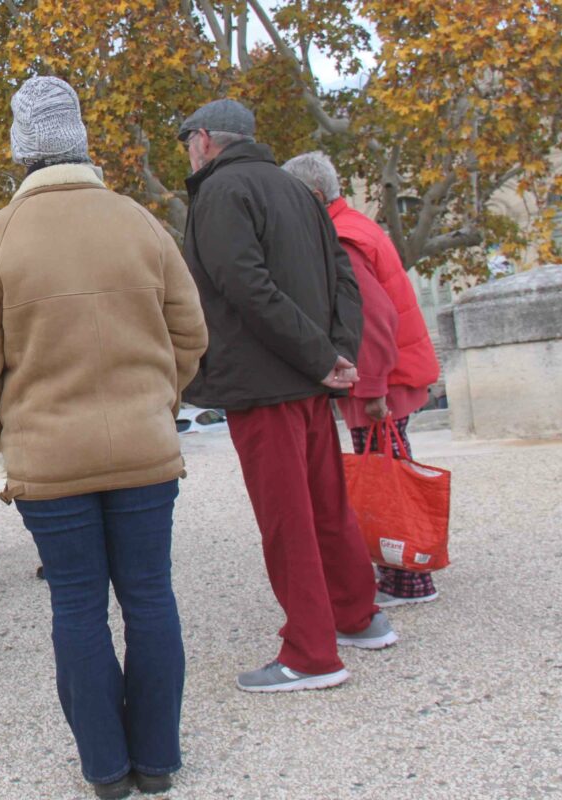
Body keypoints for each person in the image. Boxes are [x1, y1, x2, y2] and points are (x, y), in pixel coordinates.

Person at [0, 76, 208, 800]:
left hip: (50, 453)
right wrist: (160, 400)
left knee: (77, 604)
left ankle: (104, 767)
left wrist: (0, 431)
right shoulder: (138, 222)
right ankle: (156, 759)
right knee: (151, 596)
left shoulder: (0, 238)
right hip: (144, 447)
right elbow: (191, 331)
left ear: (21, 147)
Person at [177, 99, 397, 694]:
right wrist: (335, 353)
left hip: (266, 382)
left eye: (186, 143)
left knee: (288, 520)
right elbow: (344, 280)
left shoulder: (221, 194)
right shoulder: (298, 190)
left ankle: (311, 653)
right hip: (305, 379)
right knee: (326, 507)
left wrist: (325, 357)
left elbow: (246, 288)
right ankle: (357, 616)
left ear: (203, 141)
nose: (187, 154)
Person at [283, 151, 443, 606]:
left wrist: (372, 390)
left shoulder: (343, 238)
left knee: (385, 478)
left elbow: (369, 320)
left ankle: (406, 578)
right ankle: (404, 569)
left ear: (313, 196)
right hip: (392, 372)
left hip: (381, 380)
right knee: (390, 470)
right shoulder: (355, 226)